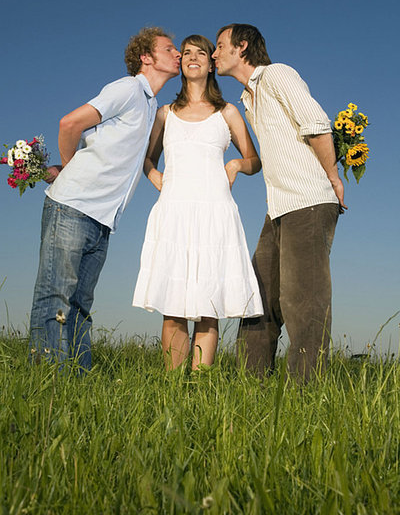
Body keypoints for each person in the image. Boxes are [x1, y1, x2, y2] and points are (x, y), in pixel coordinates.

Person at [29, 27, 181, 370]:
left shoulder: (152, 105)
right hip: (73, 207)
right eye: (169, 48)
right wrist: (69, 168)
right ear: (146, 57)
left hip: (102, 220)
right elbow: (70, 123)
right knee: (55, 295)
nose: (177, 54)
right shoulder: (128, 88)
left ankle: (79, 379)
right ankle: (45, 381)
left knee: (80, 304)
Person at [213, 23, 347, 382]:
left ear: (242, 47)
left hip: (308, 201)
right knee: (258, 297)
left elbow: (317, 124)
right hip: (278, 209)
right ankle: (249, 384)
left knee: (305, 302)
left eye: (220, 45)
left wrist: (333, 178)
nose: (214, 54)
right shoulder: (247, 98)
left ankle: (304, 390)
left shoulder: (276, 75)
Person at [132, 34, 263, 370]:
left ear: (210, 63)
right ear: (181, 63)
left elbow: (254, 160)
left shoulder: (228, 112)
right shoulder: (165, 113)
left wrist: (235, 164)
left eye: (201, 53)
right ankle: (173, 391)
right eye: (186, 52)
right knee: (173, 307)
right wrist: (155, 176)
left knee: (208, 305)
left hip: (215, 213)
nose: (192, 57)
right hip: (174, 212)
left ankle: (200, 390)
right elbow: (145, 159)